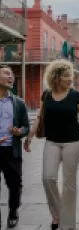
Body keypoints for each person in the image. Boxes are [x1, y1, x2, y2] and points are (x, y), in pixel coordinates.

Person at [24, 59, 79, 230]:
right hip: (52, 142)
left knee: (69, 183)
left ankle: (67, 225)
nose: (71, 79)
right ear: (56, 77)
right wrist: (30, 134)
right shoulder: (46, 95)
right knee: (48, 178)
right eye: (67, 76)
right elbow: (40, 116)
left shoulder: (76, 95)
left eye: (71, 75)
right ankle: (57, 215)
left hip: (72, 143)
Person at [0, 64, 30, 229]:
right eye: (6, 73)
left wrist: (20, 131)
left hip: (12, 150)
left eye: (12, 74)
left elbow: (26, 126)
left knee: (15, 184)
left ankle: (13, 211)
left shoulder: (18, 103)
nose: (11, 77)